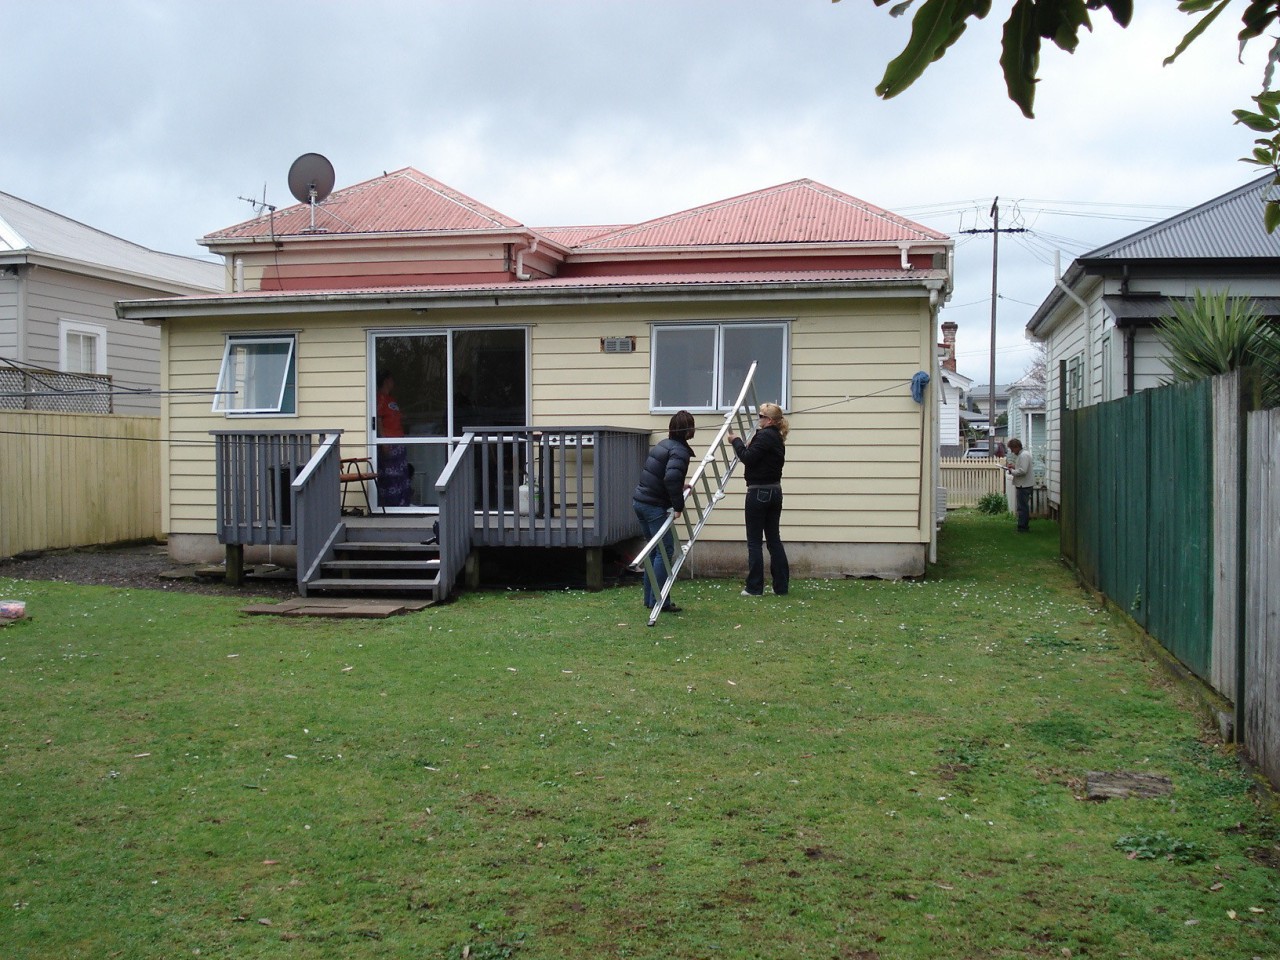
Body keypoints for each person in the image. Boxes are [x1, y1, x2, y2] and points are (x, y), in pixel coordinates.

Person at [632, 410, 696, 613]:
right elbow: (670, 478)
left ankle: (650, 599)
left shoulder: (663, 445)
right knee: (665, 550)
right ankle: (660, 601)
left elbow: (663, 476)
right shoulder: (679, 451)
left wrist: (680, 486)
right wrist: (678, 506)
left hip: (640, 501)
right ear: (689, 430)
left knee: (653, 551)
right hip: (653, 506)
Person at [727, 402, 790, 597]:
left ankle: (754, 588)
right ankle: (781, 586)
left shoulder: (764, 436)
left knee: (754, 542)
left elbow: (747, 457)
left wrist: (735, 441)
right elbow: (758, 456)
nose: (758, 419)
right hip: (775, 491)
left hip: (758, 492)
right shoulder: (776, 438)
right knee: (773, 540)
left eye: (761, 416)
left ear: (769, 420)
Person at [375, 372, 413, 507]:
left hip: (399, 441)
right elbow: (378, 419)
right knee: (391, 476)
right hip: (389, 442)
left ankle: (403, 503)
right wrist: (384, 441)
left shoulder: (391, 399)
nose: (393, 382)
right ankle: (391, 505)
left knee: (402, 475)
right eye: (391, 379)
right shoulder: (380, 398)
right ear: (386, 380)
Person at [1005, 437, 1034, 532]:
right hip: (1024, 484)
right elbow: (1022, 467)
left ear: (1017, 447)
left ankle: (1023, 527)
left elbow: (1023, 471)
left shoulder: (1023, 456)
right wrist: (1014, 466)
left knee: (1022, 508)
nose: (1012, 451)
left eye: (1012, 449)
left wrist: (1012, 471)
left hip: (1024, 485)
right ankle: (1023, 526)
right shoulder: (1024, 454)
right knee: (1022, 507)